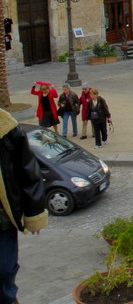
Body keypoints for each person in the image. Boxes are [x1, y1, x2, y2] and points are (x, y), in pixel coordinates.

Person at [0, 107, 48, 303]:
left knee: (4, 269)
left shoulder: (5, 126)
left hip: (1, 220)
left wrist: (34, 211)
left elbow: (27, 169)